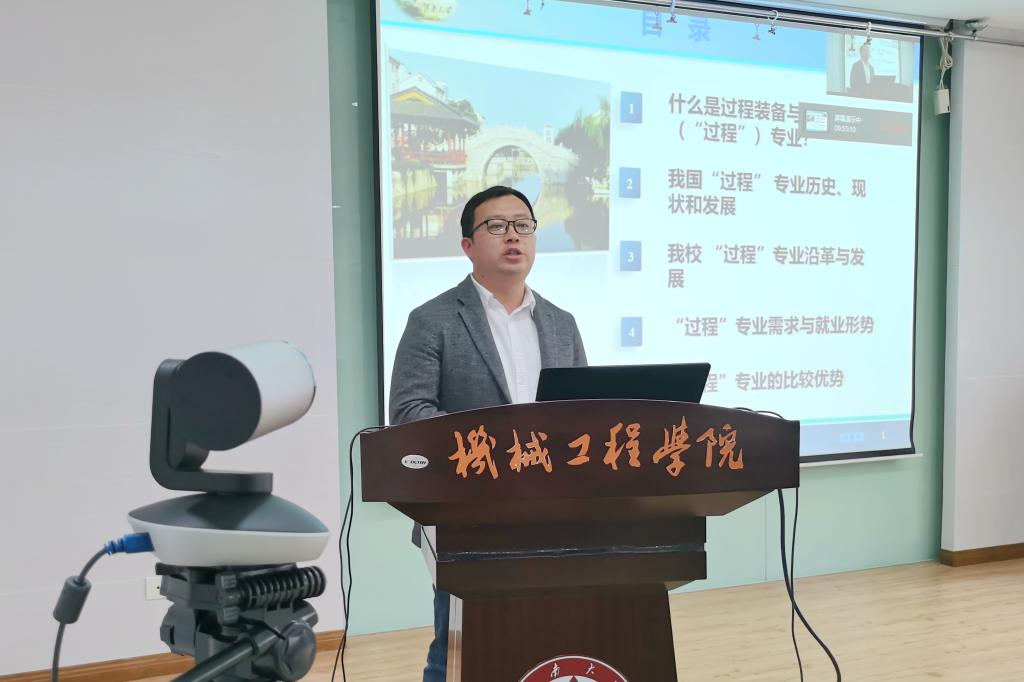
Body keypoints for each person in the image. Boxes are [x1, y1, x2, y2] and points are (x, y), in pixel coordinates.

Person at [389, 185, 587, 682]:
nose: (513, 236)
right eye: (496, 227)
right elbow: (409, 414)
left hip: (553, 513)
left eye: (523, 225)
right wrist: (499, 450)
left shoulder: (561, 324)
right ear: (468, 246)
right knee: (458, 645)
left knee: (548, 642)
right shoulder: (432, 320)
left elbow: (584, 417)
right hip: (465, 513)